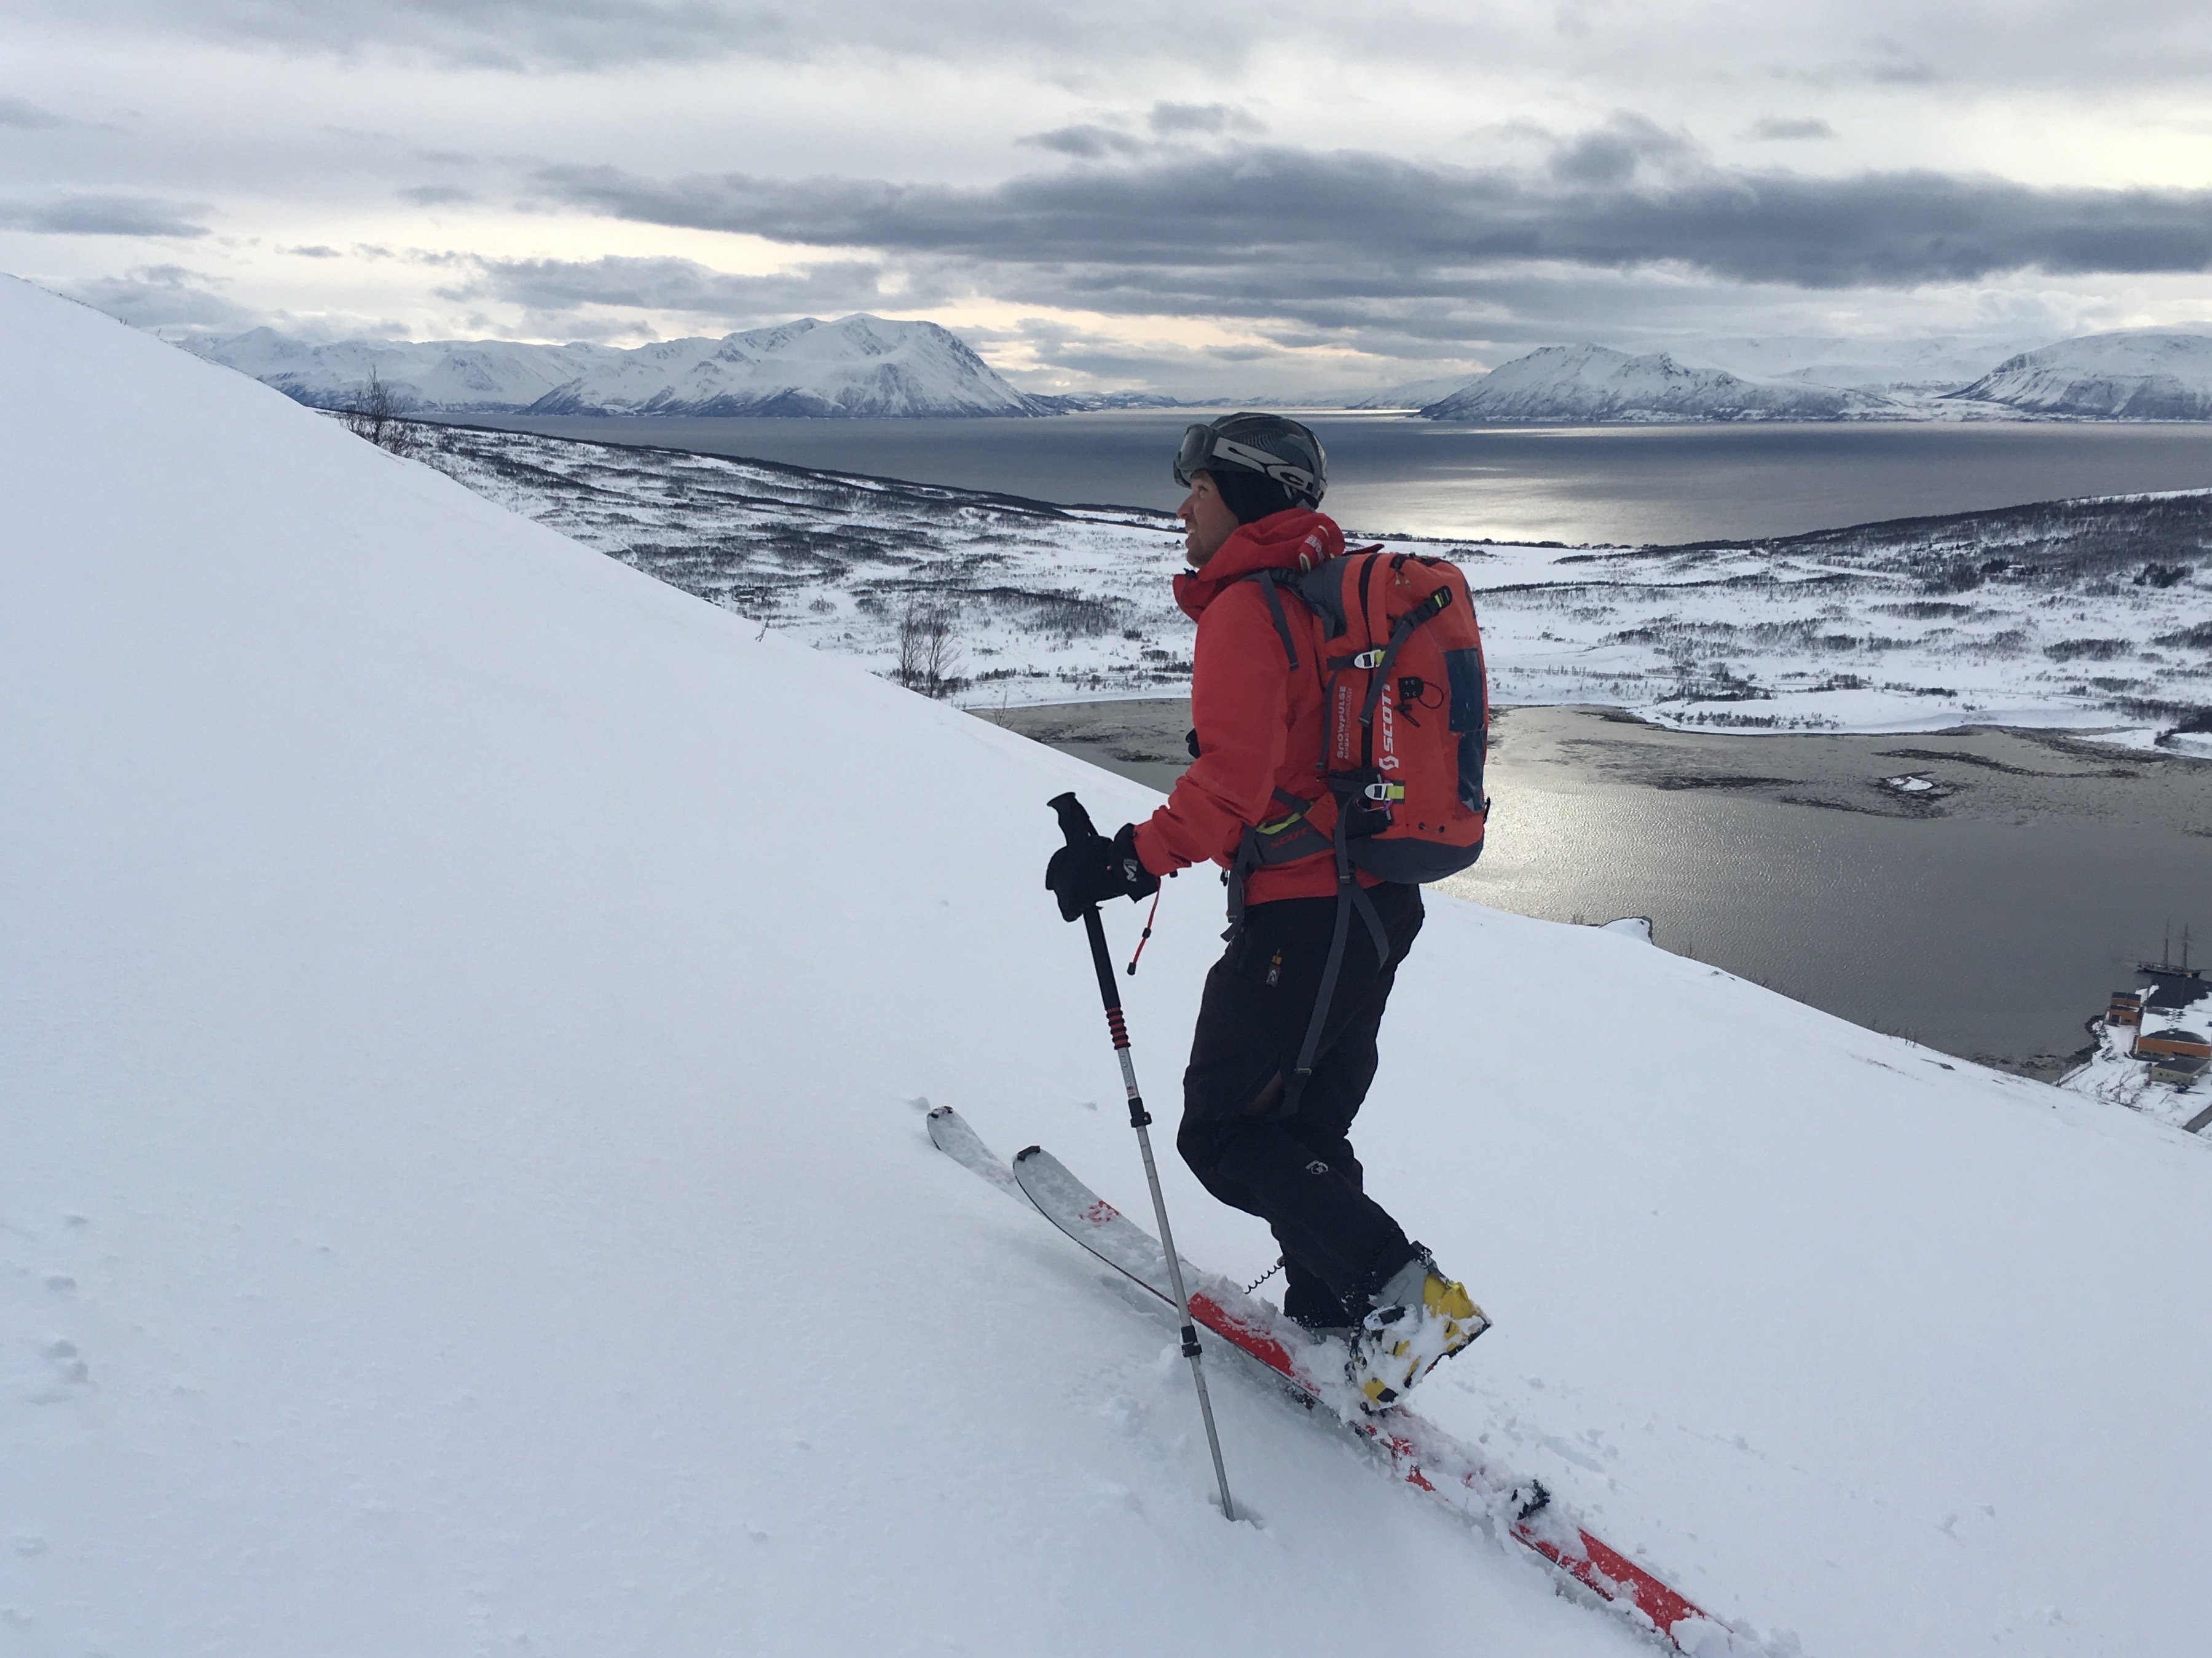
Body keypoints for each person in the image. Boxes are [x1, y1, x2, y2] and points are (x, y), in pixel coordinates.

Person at [1045, 413, 1485, 1410]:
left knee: (1223, 1134)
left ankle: (1405, 1300)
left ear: (1241, 493)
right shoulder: (1322, 594)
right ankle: (1335, 1321)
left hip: (1303, 920)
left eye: (1195, 487)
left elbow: (1231, 787)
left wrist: (1125, 860)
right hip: (1375, 907)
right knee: (1305, 1123)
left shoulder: (1249, 608)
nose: (1181, 506)